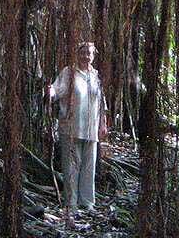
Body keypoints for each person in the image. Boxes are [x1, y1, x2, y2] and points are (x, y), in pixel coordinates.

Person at [45, 40, 108, 224]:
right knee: (71, 165)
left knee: (89, 165)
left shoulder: (95, 75)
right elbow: (57, 91)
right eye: (82, 53)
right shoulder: (69, 72)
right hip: (71, 127)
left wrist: (103, 123)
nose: (85, 56)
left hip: (91, 128)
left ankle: (87, 202)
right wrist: (50, 92)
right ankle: (71, 203)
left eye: (89, 53)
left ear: (93, 56)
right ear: (77, 54)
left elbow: (101, 102)